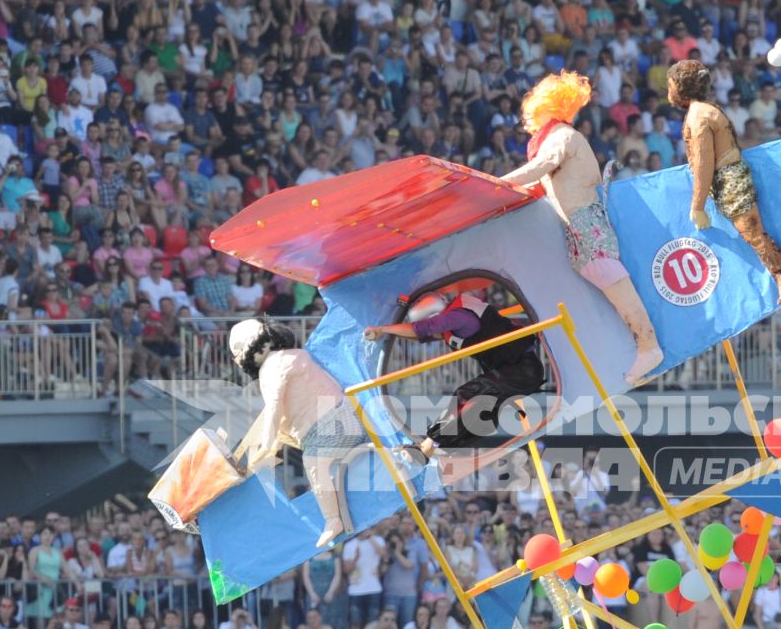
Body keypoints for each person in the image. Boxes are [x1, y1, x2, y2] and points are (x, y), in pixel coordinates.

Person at [498, 71, 662, 383]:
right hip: (576, 224)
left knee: (608, 276)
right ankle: (637, 347)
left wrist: (497, 183)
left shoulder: (563, 137)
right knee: (600, 279)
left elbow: (540, 168)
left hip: (585, 219)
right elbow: (539, 180)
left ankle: (648, 345)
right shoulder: (559, 138)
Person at [669, 58, 781, 310]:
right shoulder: (705, 110)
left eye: (671, 84)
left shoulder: (699, 116)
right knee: (751, 232)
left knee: (752, 232)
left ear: (681, 86)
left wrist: (697, 206)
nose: (669, 90)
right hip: (726, 180)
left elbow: (704, 163)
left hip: (728, 180)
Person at [226, 318, 362, 548]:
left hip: (327, 427)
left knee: (314, 463)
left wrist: (267, 446)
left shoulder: (271, 367)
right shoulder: (298, 355)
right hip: (342, 418)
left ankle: (333, 520)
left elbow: (274, 408)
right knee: (311, 456)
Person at [365, 291, 547, 460]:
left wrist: (384, 329)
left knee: (467, 394)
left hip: (523, 369)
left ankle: (429, 445)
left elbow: (423, 329)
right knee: (482, 413)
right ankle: (438, 450)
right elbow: (422, 335)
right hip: (514, 370)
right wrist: (387, 332)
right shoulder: (452, 321)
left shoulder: (460, 316)